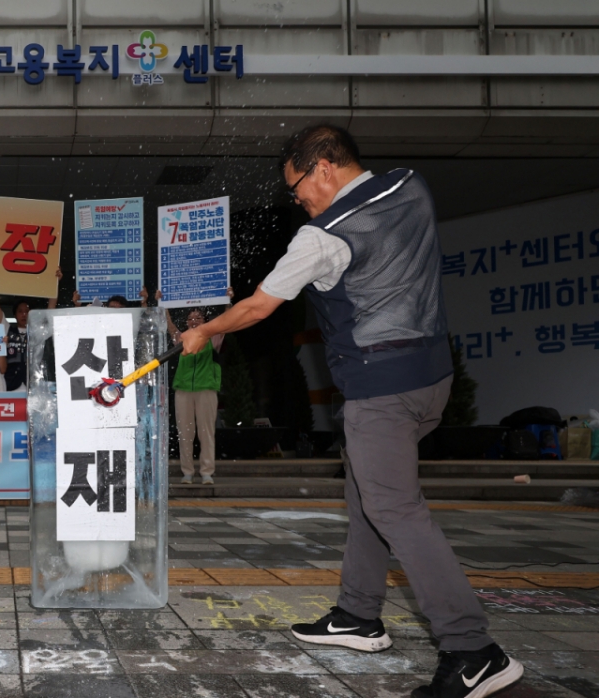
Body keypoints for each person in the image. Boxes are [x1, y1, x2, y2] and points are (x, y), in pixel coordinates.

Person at [179, 125, 521, 698]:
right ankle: (359, 616)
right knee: (368, 494)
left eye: (297, 188)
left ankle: (473, 650)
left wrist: (205, 331)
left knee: (396, 509)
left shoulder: (322, 236)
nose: (297, 201)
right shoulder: (411, 187)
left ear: (323, 168)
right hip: (431, 376)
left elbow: (260, 306)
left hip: (380, 390)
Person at [164, 294, 230, 485]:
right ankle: (187, 473)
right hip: (183, 390)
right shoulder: (182, 339)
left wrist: (228, 301)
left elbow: (226, 322)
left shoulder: (213, 338)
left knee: (206, 432)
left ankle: (207, 472)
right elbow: (170, 327)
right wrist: (164, 305)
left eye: (198, 318)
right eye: (190, 319)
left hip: (206, 389)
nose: (194, 321)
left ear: (205, 321)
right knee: (185, 433)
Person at [0, 264, 61, 391]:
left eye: (27, 311)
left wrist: (55, 283)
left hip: (33, 384)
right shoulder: (7, 329)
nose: (24, 314)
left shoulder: (37, 332)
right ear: (15, 315)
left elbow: (51, 309)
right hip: (9, 384)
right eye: (20, 311)